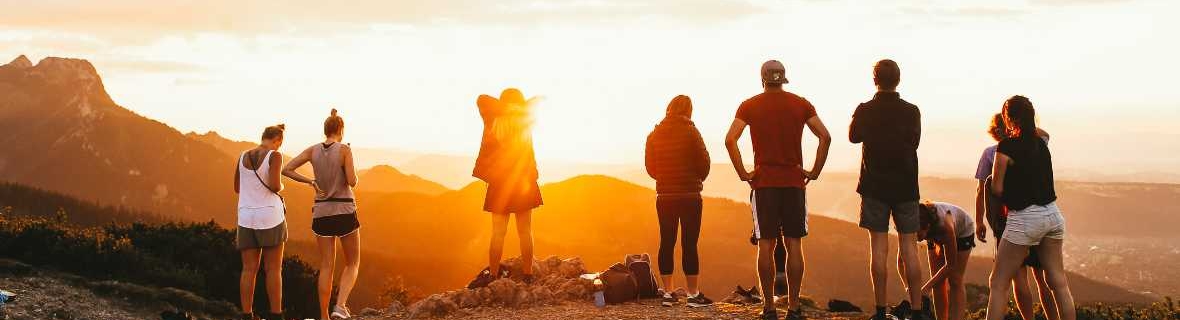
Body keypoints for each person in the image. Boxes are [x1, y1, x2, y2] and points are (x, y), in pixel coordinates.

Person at [725, 60, 832, 320]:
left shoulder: (749, 105)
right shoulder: (801, 103)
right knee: (794, 244)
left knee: (766, 245)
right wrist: (814, 171)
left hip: (764, 183)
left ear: (762, 79)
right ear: (783, 79)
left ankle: (769, 309)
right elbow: (825, 136)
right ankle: (794, 309)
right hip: (794, 182)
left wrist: (743, 173)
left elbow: (730, 140)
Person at [849, 59, 930, 320]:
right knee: (909, 249)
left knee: (878, 250)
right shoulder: (912, 110)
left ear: (875, 80)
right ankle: (917, 310)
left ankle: (881, 311)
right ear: (898, 79)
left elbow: (853, 136)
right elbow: (915, 142)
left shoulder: (865, 109)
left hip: (874, 185)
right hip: (906, 186)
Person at [986, 96, 1076, 320]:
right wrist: (1025, 121)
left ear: (1010, 119)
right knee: (1058, 282)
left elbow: (996, 188)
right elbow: (1043, 132)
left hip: (1025, 218)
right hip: (1053, 215)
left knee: (998, 283)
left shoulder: (1005, 146)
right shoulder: (1040, 143)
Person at [974, 114, 1059, 320]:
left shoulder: (990, 154)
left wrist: (979, 221)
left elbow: (982, 191)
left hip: (1007, 222)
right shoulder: (1031, 147)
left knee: (1018, 280)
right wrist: (1023, 128)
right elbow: (1045, 134)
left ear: (994, 131)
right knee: (1043, 278)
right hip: (1038, 216)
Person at [282, 109, 361, 320]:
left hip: (321, 212)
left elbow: (286, 169)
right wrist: (348, 160)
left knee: (326, 265)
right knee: (353, 262)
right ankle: (340, 306)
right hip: (344, 210)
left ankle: (324, 316)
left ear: (325, 130)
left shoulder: (312, 150)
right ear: (341, 130)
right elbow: (352, 181)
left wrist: (310, 181)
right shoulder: (344, 150)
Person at [467, 88, 543, 288]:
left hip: (500, 183)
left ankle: (493, 275)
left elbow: (481, 98)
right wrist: (520, 107)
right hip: (523, 182)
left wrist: (507, 108)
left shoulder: (493, 121)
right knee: (525, 231)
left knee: (497, 233)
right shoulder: (524, 122)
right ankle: (528, 275)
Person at [645, 95, 713, 308]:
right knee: (689, 244)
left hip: (665, 196)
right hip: (690, 195)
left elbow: (650, 168)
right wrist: (695, 178)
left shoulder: (654, 135)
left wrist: (665, 179)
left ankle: (668, 292)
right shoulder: (692, 132)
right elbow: (704, 163)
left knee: (666, 241)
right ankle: (693, 294)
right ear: (688, 110)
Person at [233, 124, 288, 320]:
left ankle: (247, 314)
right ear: (277, 140)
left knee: (248, 269)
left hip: (246, 217)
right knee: (273, 269)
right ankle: (276, 315)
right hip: (270, 217)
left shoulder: (242, 156)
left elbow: (237, 188)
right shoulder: (275, 156)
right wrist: (282, 184)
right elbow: (275, 185)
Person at [903, 201, 975, 320]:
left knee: (955, 280)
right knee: (938, 282)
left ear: (927, 227)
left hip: (962, 232)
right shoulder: (915, 225)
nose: (915, 237)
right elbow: (901, 260)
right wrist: (908, 287)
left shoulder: (945, 225)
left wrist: (925, 289)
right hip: (935, 233)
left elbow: (951, 265)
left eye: (918, 233)